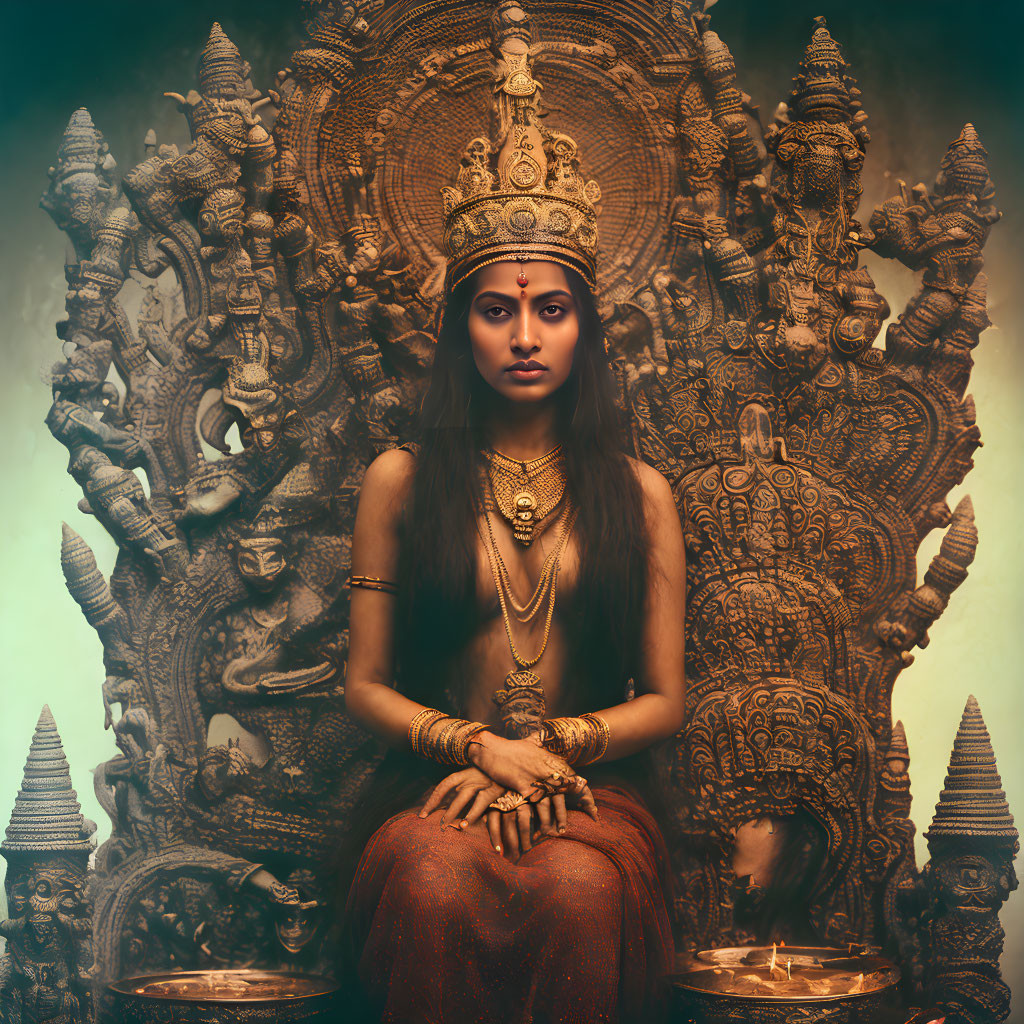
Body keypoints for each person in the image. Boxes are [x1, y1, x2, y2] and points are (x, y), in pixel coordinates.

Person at [336, 40, 685, 1024]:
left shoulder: (638, 493)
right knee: (429, 881)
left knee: (581, 891)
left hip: (587, 788)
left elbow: (664, 699)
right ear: (462, 329)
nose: (524, 336)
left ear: (583, 327)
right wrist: (480, 748)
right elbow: (361, 685)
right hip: (440, 780)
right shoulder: (400, 481)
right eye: (496, 311)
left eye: (550, 309)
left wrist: (553, 750)